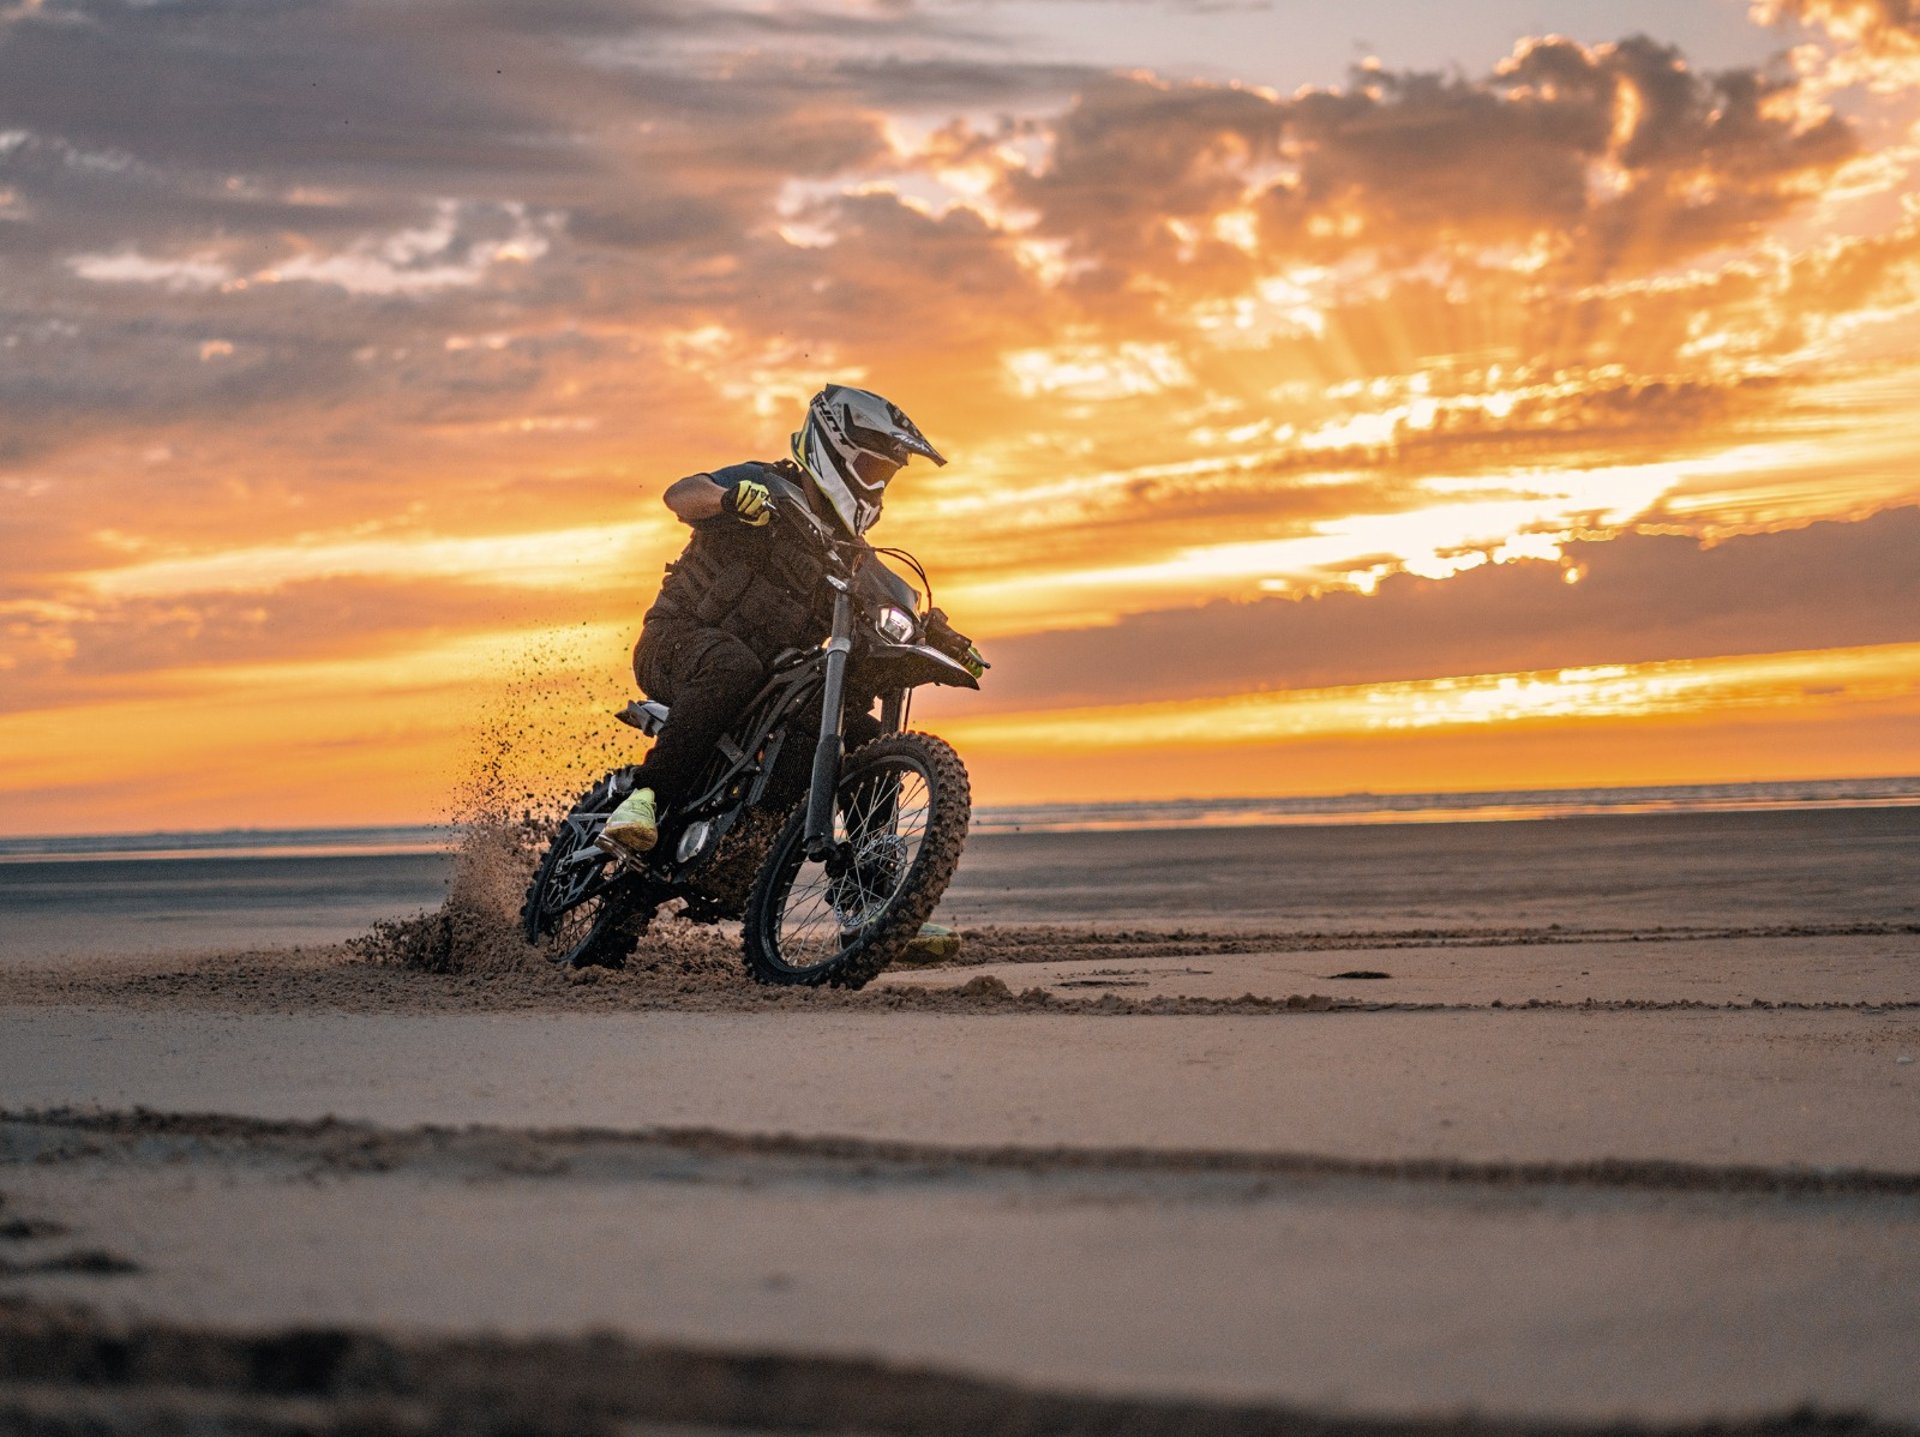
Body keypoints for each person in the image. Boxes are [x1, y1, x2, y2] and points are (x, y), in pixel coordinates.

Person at [597, 384, 947, 856]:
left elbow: (883, 613)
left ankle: (872, 883)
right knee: (732, 665)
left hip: (764, 689)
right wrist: (728, 500)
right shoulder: (766, 486)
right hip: (677, 643)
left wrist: (933, 630)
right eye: (871, 470)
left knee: (858, 733)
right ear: (833, 450)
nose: (878, 487)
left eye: (886, 477)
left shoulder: (851, 558)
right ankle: (646, 797)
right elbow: (681, 494)